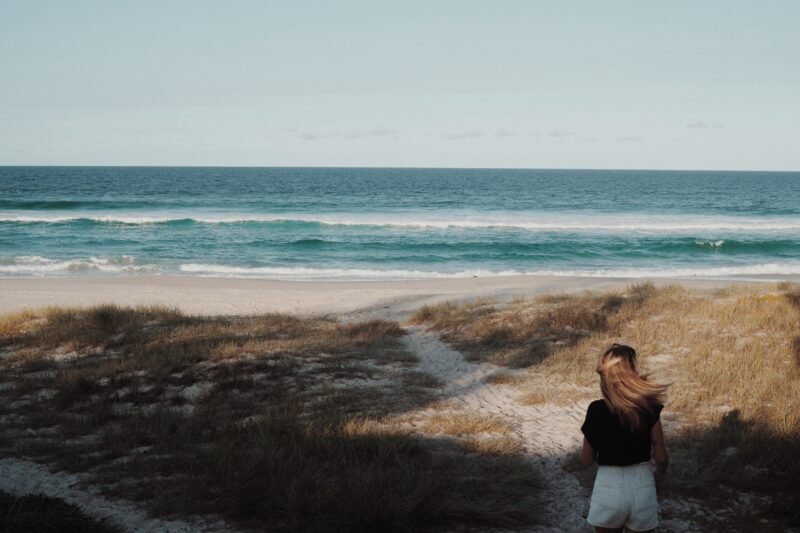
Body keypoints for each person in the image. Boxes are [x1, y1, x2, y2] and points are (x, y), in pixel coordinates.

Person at [580, 344, 669, 533]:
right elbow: (661, 456)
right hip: (642, 482)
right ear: (633, 371)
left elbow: (586, 460)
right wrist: (659, 478)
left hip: (609, 484)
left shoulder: (596, 409)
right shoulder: (649, 407)